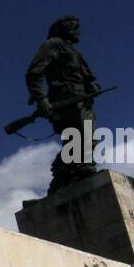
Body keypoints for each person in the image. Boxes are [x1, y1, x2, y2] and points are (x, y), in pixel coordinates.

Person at [25, 15, 101, 193]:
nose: (77, 30)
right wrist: (42, 100)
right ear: (62, 29)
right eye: (73, 27)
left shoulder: (73, 51)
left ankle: (66, 176)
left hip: (83, 100)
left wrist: (92, 86)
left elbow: (85, 76)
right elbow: (34, 73)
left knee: (85, 138)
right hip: (65, 99)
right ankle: (77, 171)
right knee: (83, 136)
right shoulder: (53, 44)